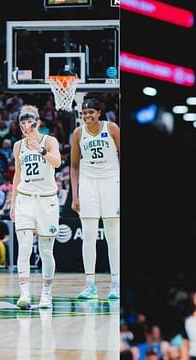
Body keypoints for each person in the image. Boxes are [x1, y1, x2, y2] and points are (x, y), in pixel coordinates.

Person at [10, 105, 61, 309]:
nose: (25, 127)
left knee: (46, 251)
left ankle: (46, 293)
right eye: (21, 124)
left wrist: (40, 150)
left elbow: (57, 162)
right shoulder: (18, 146)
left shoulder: (49, 141)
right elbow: (17, 174)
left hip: (47, 200)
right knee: (24, 247)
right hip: (25, 199)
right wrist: (12, 201)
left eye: (28, 123)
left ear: (37, 122)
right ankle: (25, 294)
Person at [70, 98, 120, 300]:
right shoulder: (78, 133)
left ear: (99, 112)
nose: (87, 116)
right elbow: (74, 166)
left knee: (113, 235)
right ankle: (90, 284)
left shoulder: (112, 128)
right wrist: (75, 194)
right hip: (88, 183)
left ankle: (115, 282)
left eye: (91, 112)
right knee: (88, 235)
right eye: (84, 113)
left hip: (111, 181)